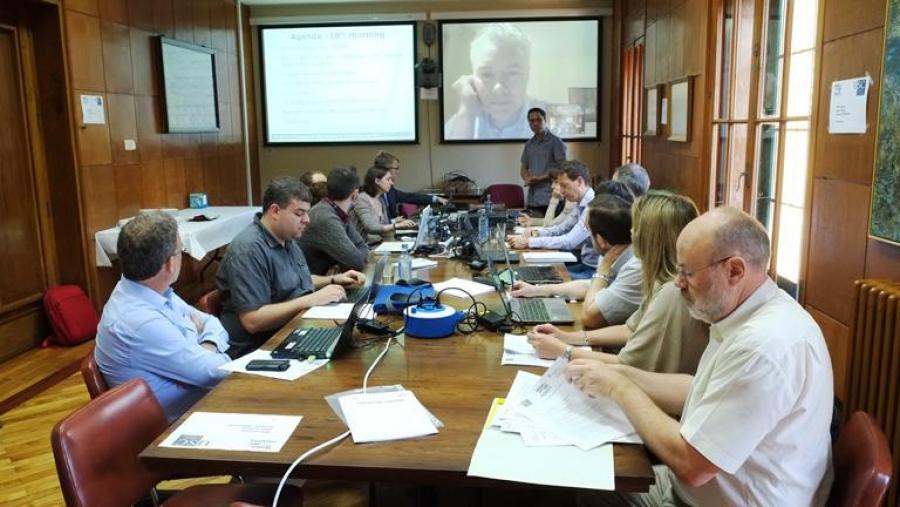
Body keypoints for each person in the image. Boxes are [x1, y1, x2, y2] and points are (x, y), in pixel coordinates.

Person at [570, 207, 833, 506]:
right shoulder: (749, 313)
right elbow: (696, 389)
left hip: (714, 497)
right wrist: (616, 374)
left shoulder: (761, 346)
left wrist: (621, 389)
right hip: (705, 492)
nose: (677, 283)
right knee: (591, 477)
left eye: (686, 272)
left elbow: (692, 466)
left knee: (582, 484)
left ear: (734, 270)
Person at [527, 191, 708, 375]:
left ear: (649, 238)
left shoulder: (672, 291)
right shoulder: (660, 280)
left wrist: (564, 352)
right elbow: (630, 329)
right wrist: (567, 337)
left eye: (635, 227)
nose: (631, 233)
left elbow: (628, 364)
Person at [95, 212, 230, 422]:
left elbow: (211, 322)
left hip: (204, 402)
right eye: (181, 251)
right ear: (170, 264)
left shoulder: (150, 289)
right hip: (176, 428)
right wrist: (206, 348)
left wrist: (207, 344)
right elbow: (215, 372)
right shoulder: (139, 320)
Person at [217, 177, 366, 358]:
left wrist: (333, 279)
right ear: (275, 211)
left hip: (291, 329)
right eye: (299, 213)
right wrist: (312, 299)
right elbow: (252, 321)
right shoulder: (248, 250)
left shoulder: (286, 237)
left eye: (307, 213)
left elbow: (295, 279)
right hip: (258, 349)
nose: (307, 220)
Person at [512, 190, 643, 329]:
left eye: (588, 231)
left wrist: (603, 269)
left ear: (601, 240)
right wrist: (538, 290)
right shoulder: (613, 252)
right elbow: (591, 285)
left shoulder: (633, 268)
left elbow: (589, 317)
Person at [444, 23, 546, 140]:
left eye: (512, 73)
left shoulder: (554, 122)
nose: (498, 89)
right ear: (473, 79)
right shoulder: (459, 124)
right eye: (487, 74)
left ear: (527, 74)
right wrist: (466, 114)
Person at [508, 160, 594, 267]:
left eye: (564, 185)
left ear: (579, 181)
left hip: (589, 270)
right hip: (582, 264)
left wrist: (528, 242)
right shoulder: (580, 203)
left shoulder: (592, 206)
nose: (561, 191)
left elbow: (569, 241)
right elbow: (561, 229)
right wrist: (534, 234)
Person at [299, 166, 370, 275]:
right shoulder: (325, 217)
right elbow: (357, 262)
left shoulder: (335, 210)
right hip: (313, 286)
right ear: (355, 195)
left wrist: (340, 264)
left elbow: (362, 246)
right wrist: (345, 262)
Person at [352, 165, 416, 245]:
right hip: (365, 247)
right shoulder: (362, 199)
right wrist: (397, 225)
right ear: (377, 181)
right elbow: (370, 227)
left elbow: (385, 226)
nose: (391, 182)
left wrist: (397, 243)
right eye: (388, 179)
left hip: (379, 245)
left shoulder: (380, 200)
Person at [373, 151, 447, 220]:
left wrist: (435, 198)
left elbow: (409, 197)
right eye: (396, 168)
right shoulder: (372, 194)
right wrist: (394, 222)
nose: (398, 172)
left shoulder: (390, 190)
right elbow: (375, 224)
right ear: (385, 170)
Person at [520, 108, 567, 214]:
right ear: (529, 124)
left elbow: (562, 169)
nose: (535, 123)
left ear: (545, 120)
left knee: (551, 229)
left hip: (551, 198)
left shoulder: (556, 142)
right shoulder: (529, 145)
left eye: (539, 120)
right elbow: (523, 168)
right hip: (532, 199)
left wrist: (540, 178)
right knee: (533, 229)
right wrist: (527, 178)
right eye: (532, 121)